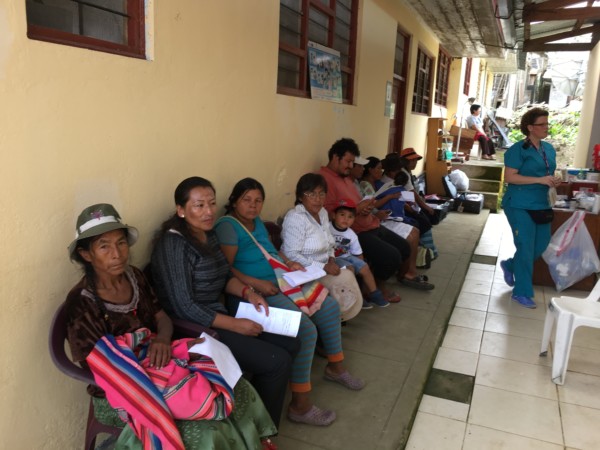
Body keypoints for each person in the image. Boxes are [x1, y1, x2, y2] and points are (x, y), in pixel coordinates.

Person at [65, 203, 278, 449]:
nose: (117, 254)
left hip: (160, 358)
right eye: (104, 246)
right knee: (206, 424)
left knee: (235, 386)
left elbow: (162, 318)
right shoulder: (81, 302)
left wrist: (163, 340)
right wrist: (149, 369)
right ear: (86, 254)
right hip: (122, 385)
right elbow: (101, 366)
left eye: (121, 243)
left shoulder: (134, 276)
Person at [151, 177, 300, 433]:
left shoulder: (207, 234)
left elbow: (224, 274)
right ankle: (262, 432)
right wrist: (235, 325)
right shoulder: (173, 244)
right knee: (277, 362)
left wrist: (248, 293)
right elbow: (185, 306)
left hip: (219, 316)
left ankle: (253, 415)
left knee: (291, 342)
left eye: (211, 203)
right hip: (194, 329)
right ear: (181, 210)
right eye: (199, 205)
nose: (209, 211)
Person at [215, 177, 365, 427]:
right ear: (234, 201)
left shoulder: (256, 222)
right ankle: (300, 405)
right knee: (305, 329)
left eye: (258, 200)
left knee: (329, 306)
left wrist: (289, 262)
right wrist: (257, 284)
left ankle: (336, 367)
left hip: (280, 279)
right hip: (251, 294)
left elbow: (271, 252)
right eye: (246, 200)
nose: (253, 205)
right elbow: (226, 269)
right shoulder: (227, 227)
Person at [500, 107, 562, 308]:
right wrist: (539, 180)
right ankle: (522, 292)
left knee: (541, 245)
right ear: (530, 127)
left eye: (547, 123)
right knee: (525, 247)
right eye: (541, 124)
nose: (546, 127)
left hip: (541, 203)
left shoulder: (548, 149)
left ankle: (510, 264)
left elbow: (546, 173)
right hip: (519, 203)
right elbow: (510, 177)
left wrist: (553, 180)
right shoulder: (517, 150)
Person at [329, 197, 389, 308]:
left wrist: (360, 266)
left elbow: (358, 253)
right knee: (350, 268)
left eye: (350, 217)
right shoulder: (327, 228)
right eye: (342, 215)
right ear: (333, 215)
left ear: (354, 219)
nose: (346, 219)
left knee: (364, 267)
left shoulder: (351, 234)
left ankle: (374, 294)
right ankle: (356, 298)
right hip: (333, 258)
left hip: (347, 256)